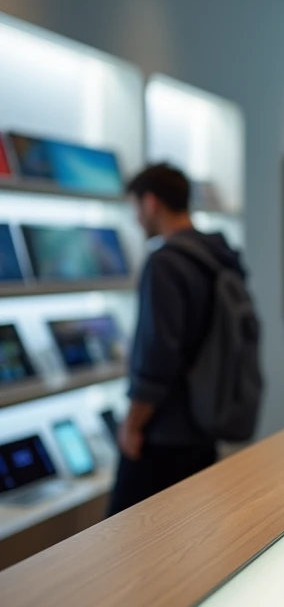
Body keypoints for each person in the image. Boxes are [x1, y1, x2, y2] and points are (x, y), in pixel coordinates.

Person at [109, 164, 250, 515]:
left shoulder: (165, 263)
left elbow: (157, 356)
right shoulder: (218, 256)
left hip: (164, 432)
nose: (136, 218)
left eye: (136, 207)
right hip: (205, 422)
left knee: (121, 540)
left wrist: (132, 424)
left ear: (151, 202)